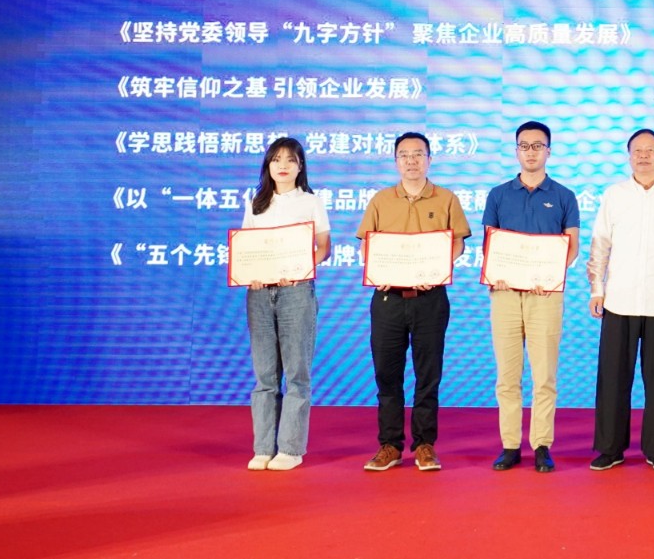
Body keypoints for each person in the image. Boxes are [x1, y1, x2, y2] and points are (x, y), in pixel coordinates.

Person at [355, 132, 471, 472]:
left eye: (418, 154)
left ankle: (424, 444)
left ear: (429, 159)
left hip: (430, 298)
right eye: (404, 155)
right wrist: (376, 270)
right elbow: (367, 245)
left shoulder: (446, 198)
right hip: (388, 298)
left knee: (428, 374)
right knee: (387, 374)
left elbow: (458, 243)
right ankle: (390, 445)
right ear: (396, 161)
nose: (411, 161)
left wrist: (438, 269)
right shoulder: (381, 200)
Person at [586, 128, 654, 472]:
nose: (644, 156)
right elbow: (600, 243)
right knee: (613, 379)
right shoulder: (614, 194)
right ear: (629, 155)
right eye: (637, 150)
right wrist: (597, 289)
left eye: (650, 150)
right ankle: (610, 448)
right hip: (618, 299)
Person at [483, 121, 581, 472]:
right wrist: (498, 272)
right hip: (506, 294)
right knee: (507, 376)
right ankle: (510, 445)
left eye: (538, 146)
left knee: (544, 375)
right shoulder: (498, 194)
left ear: (548, 151)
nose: (531, 152)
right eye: (524, 146)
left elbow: (572, 247)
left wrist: (547, 275)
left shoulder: (564, 196)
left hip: (545, 295)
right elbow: (490, 242)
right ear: (516, 151)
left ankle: (541, 444)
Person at [241, 137, 330, 471]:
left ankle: (291, 448)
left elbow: (324, 247)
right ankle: (263, 447)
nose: (283, 166)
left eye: (290, 160)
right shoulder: (255, 203)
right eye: (276, 159)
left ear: (300, 166)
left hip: (296, 291)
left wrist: (301, 269)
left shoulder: (311, 201)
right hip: (260, 294)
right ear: (267, 165)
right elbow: (246, 248)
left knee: (296, 373)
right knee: (264, 375)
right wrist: (249, 274)